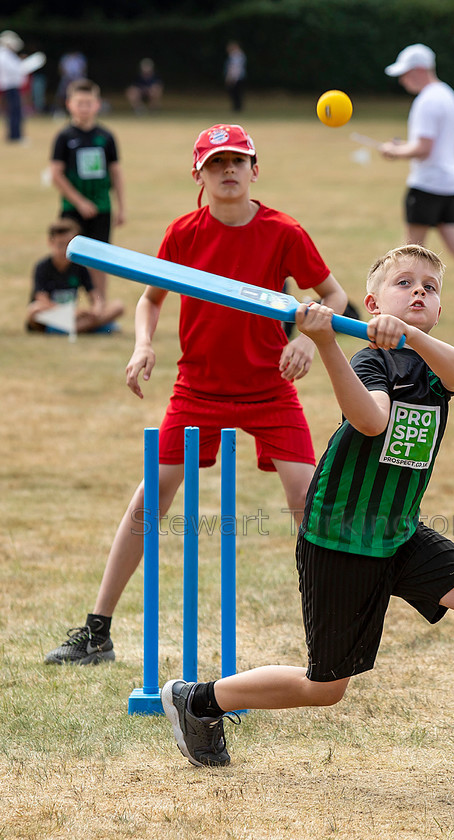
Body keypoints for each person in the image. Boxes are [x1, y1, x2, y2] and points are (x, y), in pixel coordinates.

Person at [160, 243, 454, 799]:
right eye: (404, 284)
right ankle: (199, 701)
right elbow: (369, 418)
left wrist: (410, 335)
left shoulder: (430, 360)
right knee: (325, 688)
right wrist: (330, 342)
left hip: (397, 529)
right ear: (371, 301)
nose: (419, 293)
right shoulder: (370, 360)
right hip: (339, 532)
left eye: (429, 287)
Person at [44, 123, 347, 666]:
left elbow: (333, 294)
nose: (227, 171)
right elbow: (150, 299)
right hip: (199, 387)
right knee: (149, 499)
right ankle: (97, 631)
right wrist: (142, 345)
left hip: (268, 390)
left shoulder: (284, 232)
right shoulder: (183, 233)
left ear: (255, 170)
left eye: (237, 161)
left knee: (308, 502)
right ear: (199, 175)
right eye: (215, 163)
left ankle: (342, 629)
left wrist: (308, 337)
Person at [380, 44, 454, 321]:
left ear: (420, 70)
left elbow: (423, 147)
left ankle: (395, 308)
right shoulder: (447, 94)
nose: (402, 79)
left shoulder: (427, 101)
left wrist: (394, 151)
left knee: (409, 252)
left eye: (406, 73)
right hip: (448, 182)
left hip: (427, 183)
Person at [50, 78, 126, 300]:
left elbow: (116, 172)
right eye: (79, 102)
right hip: (72, 209)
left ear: (97, 104)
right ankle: (66, 308)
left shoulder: (106, 137)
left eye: (88, 102)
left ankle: (100, 307)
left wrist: (121, 206)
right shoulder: (64, 138)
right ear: (69, 104)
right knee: (67, 256)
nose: (84, 107)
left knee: (100, 260)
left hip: (101, 207)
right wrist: (79, 202)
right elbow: (56, 174)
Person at [26, 219, 124, 334]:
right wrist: (71, 312)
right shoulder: (43, 267)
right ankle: (87, 327)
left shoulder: (79, 267)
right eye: (61, 245)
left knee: (118, 306)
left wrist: (97, 308)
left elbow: (95, 295)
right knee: (34, 310)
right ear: (50, 242)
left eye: (69, 244)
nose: (65, 250)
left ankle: (68, 329)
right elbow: (41, 299)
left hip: (74, 317)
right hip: (54, 314)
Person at [0, 30, 26, 141]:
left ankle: (15, 134)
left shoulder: (8, 55)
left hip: (12, 86)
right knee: (14, 111)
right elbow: (12, 70)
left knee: (15, 111)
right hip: (10, 86)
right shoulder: (4, 55)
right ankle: (14, 135)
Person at [224, 41, 246, 112]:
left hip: (236, 78)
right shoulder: (238, 56)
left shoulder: (236, 56)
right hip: (238, 78)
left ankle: (237, 108)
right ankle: (237, 107)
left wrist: (231, 78)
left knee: (236, 93)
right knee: (236, 94)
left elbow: (235, 68)